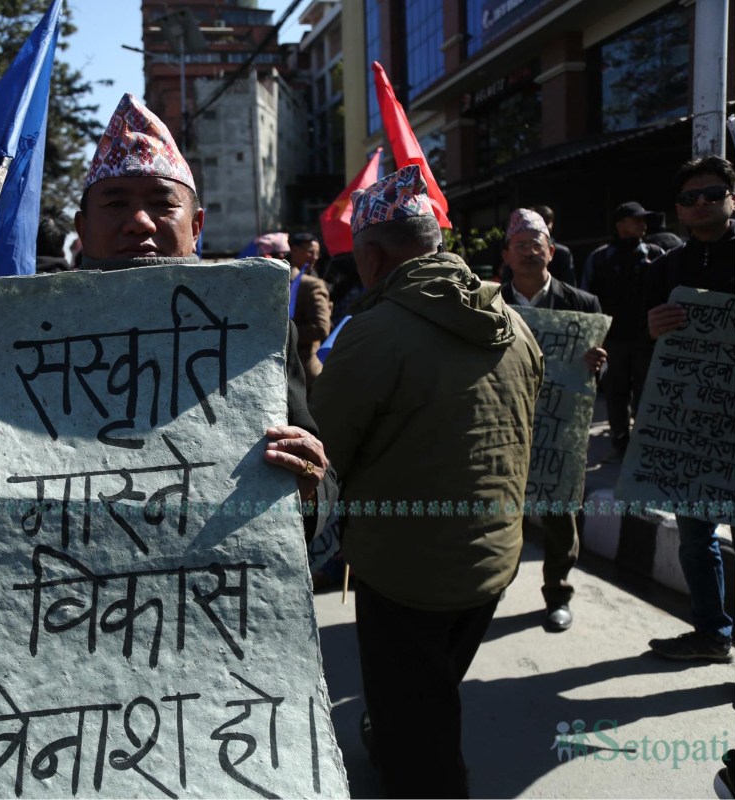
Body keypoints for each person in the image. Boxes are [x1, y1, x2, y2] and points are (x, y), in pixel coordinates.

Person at [0, 92, 337, 542]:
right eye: (114, 204)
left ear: (196, 226)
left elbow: (318, 486)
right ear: (81, 227)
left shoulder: (256, 331)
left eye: (162, 203)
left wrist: (310, 486)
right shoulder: (12, 337)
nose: (140, 222)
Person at [308, 166, 543, 797]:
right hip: (495, 560)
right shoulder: (516, 324)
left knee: (423, 744)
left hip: (405, 571)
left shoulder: (372, 334)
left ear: (372, 255)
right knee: (429, 692)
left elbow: (323, 459)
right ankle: (394, 738)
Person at [645, 155, 735, 664]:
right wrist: (652, 327)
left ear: (734, 200)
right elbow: (645, 346)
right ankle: (712, 634)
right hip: (688, 424)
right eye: (688, 197)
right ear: (678, 211)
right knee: (695, 536)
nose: (700, 203)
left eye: (711, 194)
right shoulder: (664, 269)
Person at [499, 207, 607, 633]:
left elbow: (597, 376)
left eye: (536, 245)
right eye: (520, 246)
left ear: (551, 250)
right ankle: (497, 581)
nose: (528, 252)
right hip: (503, 428)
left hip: (560, 431)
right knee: (501, 510)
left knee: (560, 516)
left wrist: (599, 366)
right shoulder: (490, 304)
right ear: (506, 254)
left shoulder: (582, 307)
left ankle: (558, 593)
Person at [581, 201, 665, 457]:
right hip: (613, 340)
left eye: (644, 220)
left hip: (646, 338)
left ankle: (643, 443)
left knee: (646, 391)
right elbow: (588, 297)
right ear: (619, 225)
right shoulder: (600, 257)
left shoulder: (655, 253)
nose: (643, 224)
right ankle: (620, 440)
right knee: (616, 392)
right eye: (636, 219)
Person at [286, 232, 332, 390]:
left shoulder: (313, 283)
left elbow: (321, 328)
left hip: (306, 372)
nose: (315, 257)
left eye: (318, 253)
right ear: (294, 250)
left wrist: (284, 333)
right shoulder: (283, 281)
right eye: (310, 251)